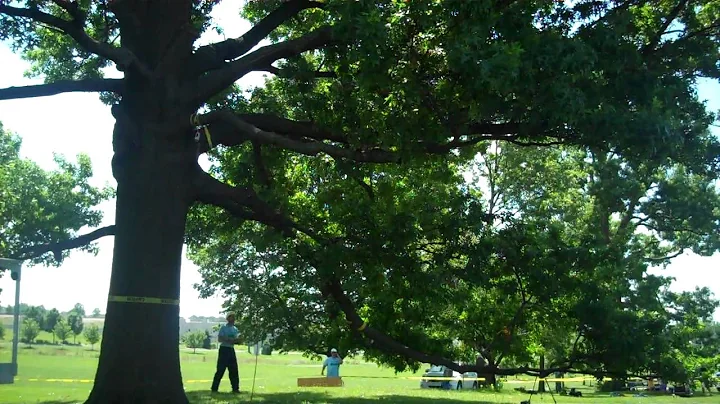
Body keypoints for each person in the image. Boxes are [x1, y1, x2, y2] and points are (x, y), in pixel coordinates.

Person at [211, 312, 240, 393]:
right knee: (220, 369)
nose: (233, 319)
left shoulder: (235, 329)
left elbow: (238, 340)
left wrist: (234, 340)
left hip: (231, 350)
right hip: (224, 349)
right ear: (228, 318)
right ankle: (214, 388)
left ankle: (235, 389)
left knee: (234, 370)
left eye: (234, 317)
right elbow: (220, 339)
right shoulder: (223, 328)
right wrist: (229, 340)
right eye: (231, 317)